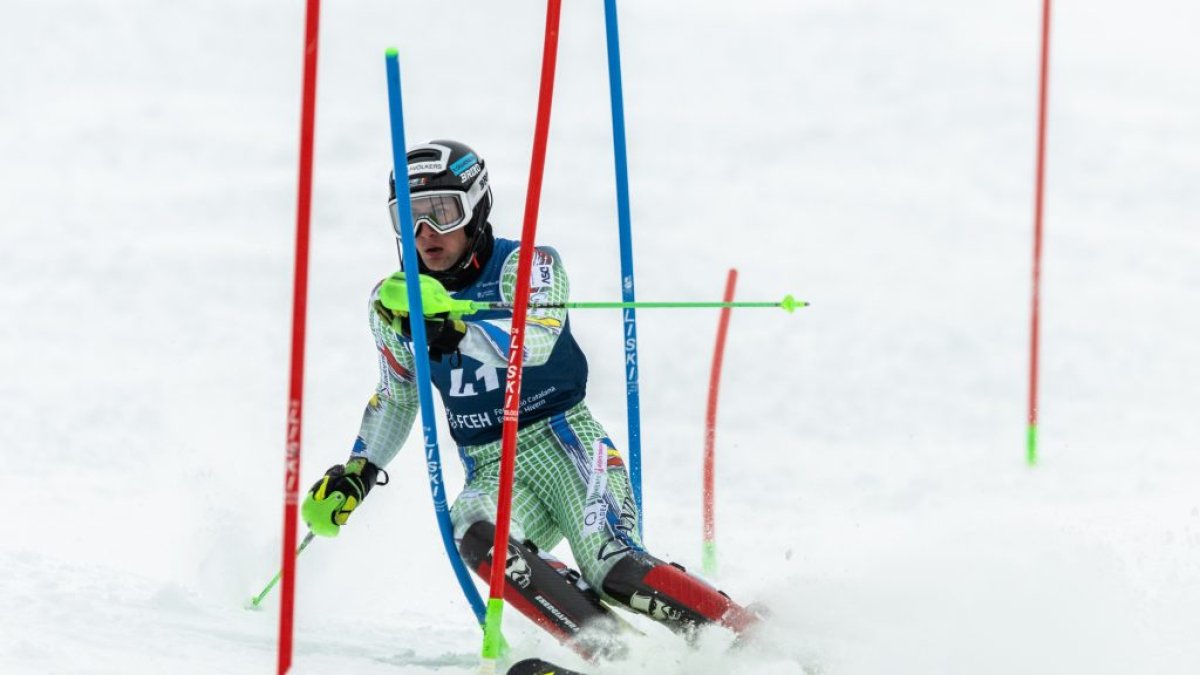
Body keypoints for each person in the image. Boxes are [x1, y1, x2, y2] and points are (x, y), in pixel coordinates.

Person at [301, 140, 758, 660]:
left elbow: (536, 340)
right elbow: (398, 396)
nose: (426, 233)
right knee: (475, 532)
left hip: (563, 442)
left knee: (614, 568)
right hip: (491, 464)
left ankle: (746, 634)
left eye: (443, 212)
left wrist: (455, 329)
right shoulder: (393, 301)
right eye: (408, 218)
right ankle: (615, 657)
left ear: (476, 205)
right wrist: (359, 469)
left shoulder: (528, 265)